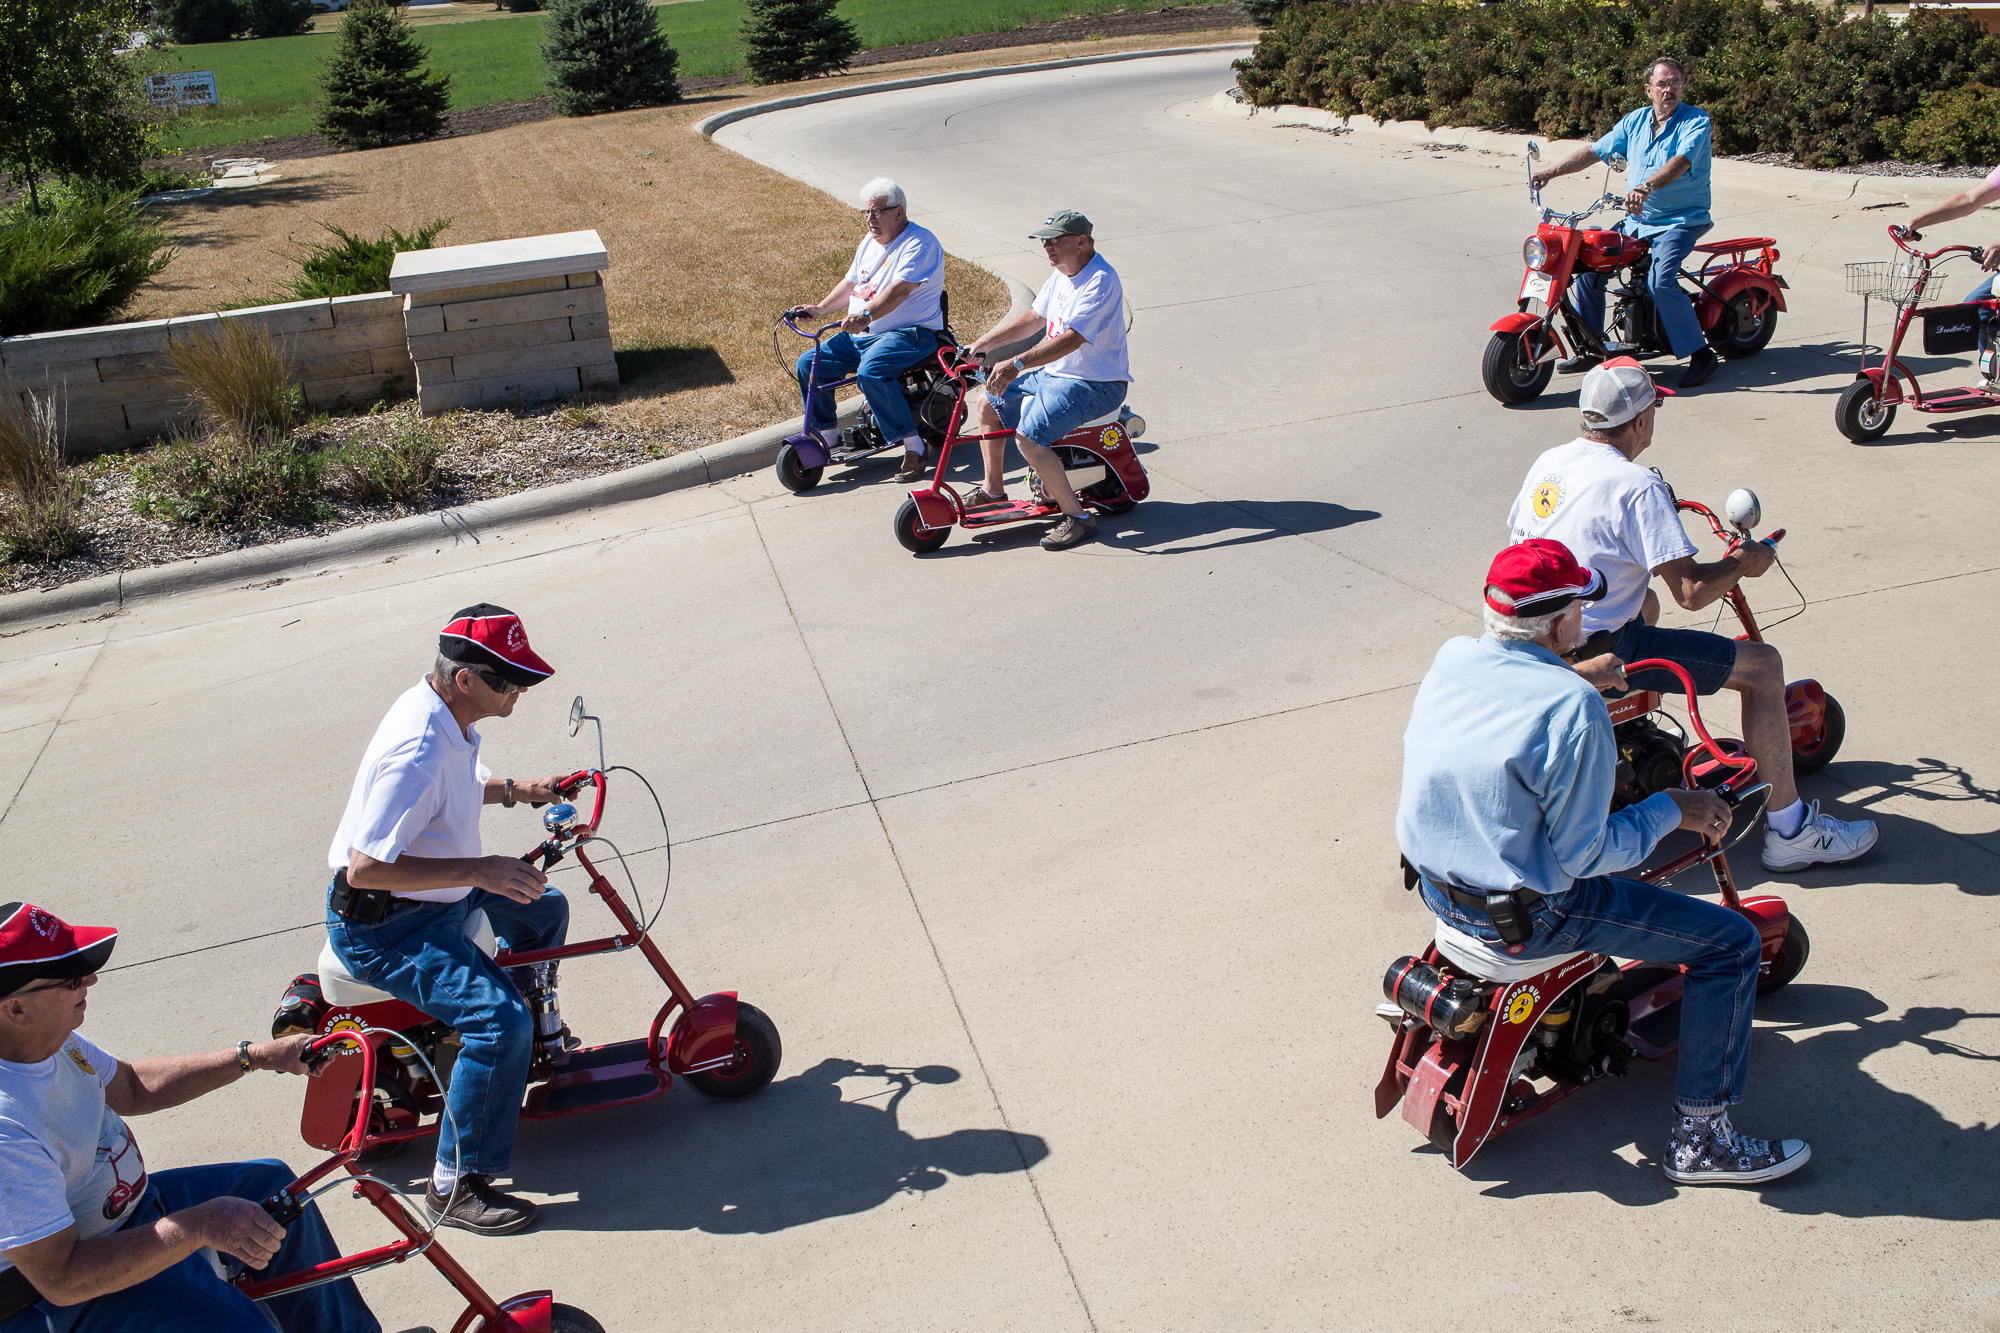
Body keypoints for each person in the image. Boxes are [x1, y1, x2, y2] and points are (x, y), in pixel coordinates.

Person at [1398, 541, 1812, 1186]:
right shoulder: (1574, 711)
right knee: (1729, 943)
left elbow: (1510, 694)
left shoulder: (1454, 659)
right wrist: (1674, 809)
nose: (1586, 621)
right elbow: (1585, 855)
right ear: (1562, 623)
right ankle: (1702, 1140)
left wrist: (1574, 678)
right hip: (1538, 916)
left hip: (1442, 892)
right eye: (1580, 609)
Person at [1506, 358, 1878, 872]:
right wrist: (1743, 562)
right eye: (1653, 407)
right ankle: (1792, 830)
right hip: (1597, 647)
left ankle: (1623, 736)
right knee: (1763, 666)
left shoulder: (1548, 463)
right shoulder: (1635, 485)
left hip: (1535, 635)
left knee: (1646, 602)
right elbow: (1693, 590)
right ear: (1639, 422)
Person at [0, 903, 398, 1333]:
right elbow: (62, 1277)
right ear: (16, 1011)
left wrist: (255, 1057)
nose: (91, 980)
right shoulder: (8, 1128)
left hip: (133, 1213)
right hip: (64, 1295)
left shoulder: (50, 1042)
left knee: (273, 1187)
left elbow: (132, 1085)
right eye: (72, 977)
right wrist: (199, 1225)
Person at [325, 605, 574, 1237]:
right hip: (385, 927)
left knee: (544, 910)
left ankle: (521, 1049)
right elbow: (365, 869)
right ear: (465, 679)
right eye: (508, 682)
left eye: (523, 680)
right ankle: (454, 1184)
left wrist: (523, 789)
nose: (518, 693)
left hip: (436, 898)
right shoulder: (416, 746)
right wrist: (482, 871)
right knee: (497, 1023)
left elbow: (459, 783)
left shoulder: (447, 716)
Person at [1530, 57, 1722, 388]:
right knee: (1589, 266)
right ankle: (1593, 350)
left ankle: (1701, 354)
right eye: (1662, 84)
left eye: (1675, 82)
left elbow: (1681, 161)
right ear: (1649, 90)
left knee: (1660, 283)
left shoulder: (1696, 121)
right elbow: (1594, 151)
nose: (1669, 89)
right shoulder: (1634, 122)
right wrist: (1550, 172)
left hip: (1680, 220)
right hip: (1637, 221)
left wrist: (1647, 186)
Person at [964, 209, 1132, 552]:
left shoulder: (1100, 279)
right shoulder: (1061, 275)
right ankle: (993, 489)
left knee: (1030, 436)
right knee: (987, 403)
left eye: (1055, 240)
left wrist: (1018, 362)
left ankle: (1079, 518)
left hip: (1095, 382)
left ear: (1082, 241)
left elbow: (1073, 339)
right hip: (1057, 375)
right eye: (1045, 241)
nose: (1048, 247)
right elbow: (1033, 318)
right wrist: (983, 344)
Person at [788, 177, 950, 482]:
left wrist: (865, 315)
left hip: (910, 333)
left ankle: (914, 446)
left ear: (898, 212)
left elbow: (900, 290)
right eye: (866, 213)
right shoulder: (869, 242)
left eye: (877, 212)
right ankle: (828, 434)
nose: (870, 219)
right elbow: (852, 283)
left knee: (871, 371)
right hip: (863, 335)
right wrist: (821, 308)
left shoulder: (920, 243)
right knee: (810, 363)